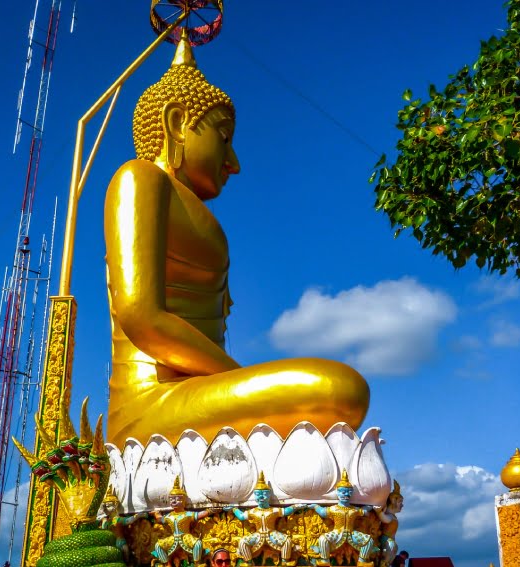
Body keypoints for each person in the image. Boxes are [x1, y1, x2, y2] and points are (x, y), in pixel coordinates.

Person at [104, 29, 370, 446]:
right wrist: (239, 378)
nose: (234, 163)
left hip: (197, 391)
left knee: (340, 391)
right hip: (151, 402)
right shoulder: (139, 179)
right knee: (339, 389)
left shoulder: (191, 209)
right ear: (177, 124)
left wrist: (236, 383)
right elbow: (143, 318)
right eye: (224, 139)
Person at [229, 472, 305, 566]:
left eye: (264, 494)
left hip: (272, 534)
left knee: (287, 541)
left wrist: (295, 507)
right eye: (258, 494)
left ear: (269, 495)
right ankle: (248, 562)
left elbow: (286, 511)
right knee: (242, 542)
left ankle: (285, 561)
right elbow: (241, 516)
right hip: (258, 535)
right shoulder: (253, 512)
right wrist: (234, 509)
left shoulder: (273, 510)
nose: (261, 497)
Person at [312, 470, 378, 566]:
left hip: (352, 533)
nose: (346, 495)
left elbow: (364, 511)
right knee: (323, 539)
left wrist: (372, 506)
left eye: (348, 492)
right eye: (343, 492)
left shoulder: (353, 509)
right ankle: (325, 561)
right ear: (337, 492)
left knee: (369, 540)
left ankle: (362, 561)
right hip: (337, 533)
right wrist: (315, 506)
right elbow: (322, 512)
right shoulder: (333, 509)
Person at [152, 476, 218, 566]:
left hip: (185, 537)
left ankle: (197, 563)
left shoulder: (187, 514)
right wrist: (156, 513)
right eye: (171, 499)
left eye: (177, 499)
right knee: (158, 546)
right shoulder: (169, 516)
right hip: (173, 538)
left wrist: (210, 511)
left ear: (183, 500)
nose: (173, 501)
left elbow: (199, 515)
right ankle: (167, 564)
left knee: (198, 544)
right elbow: (160, 520)